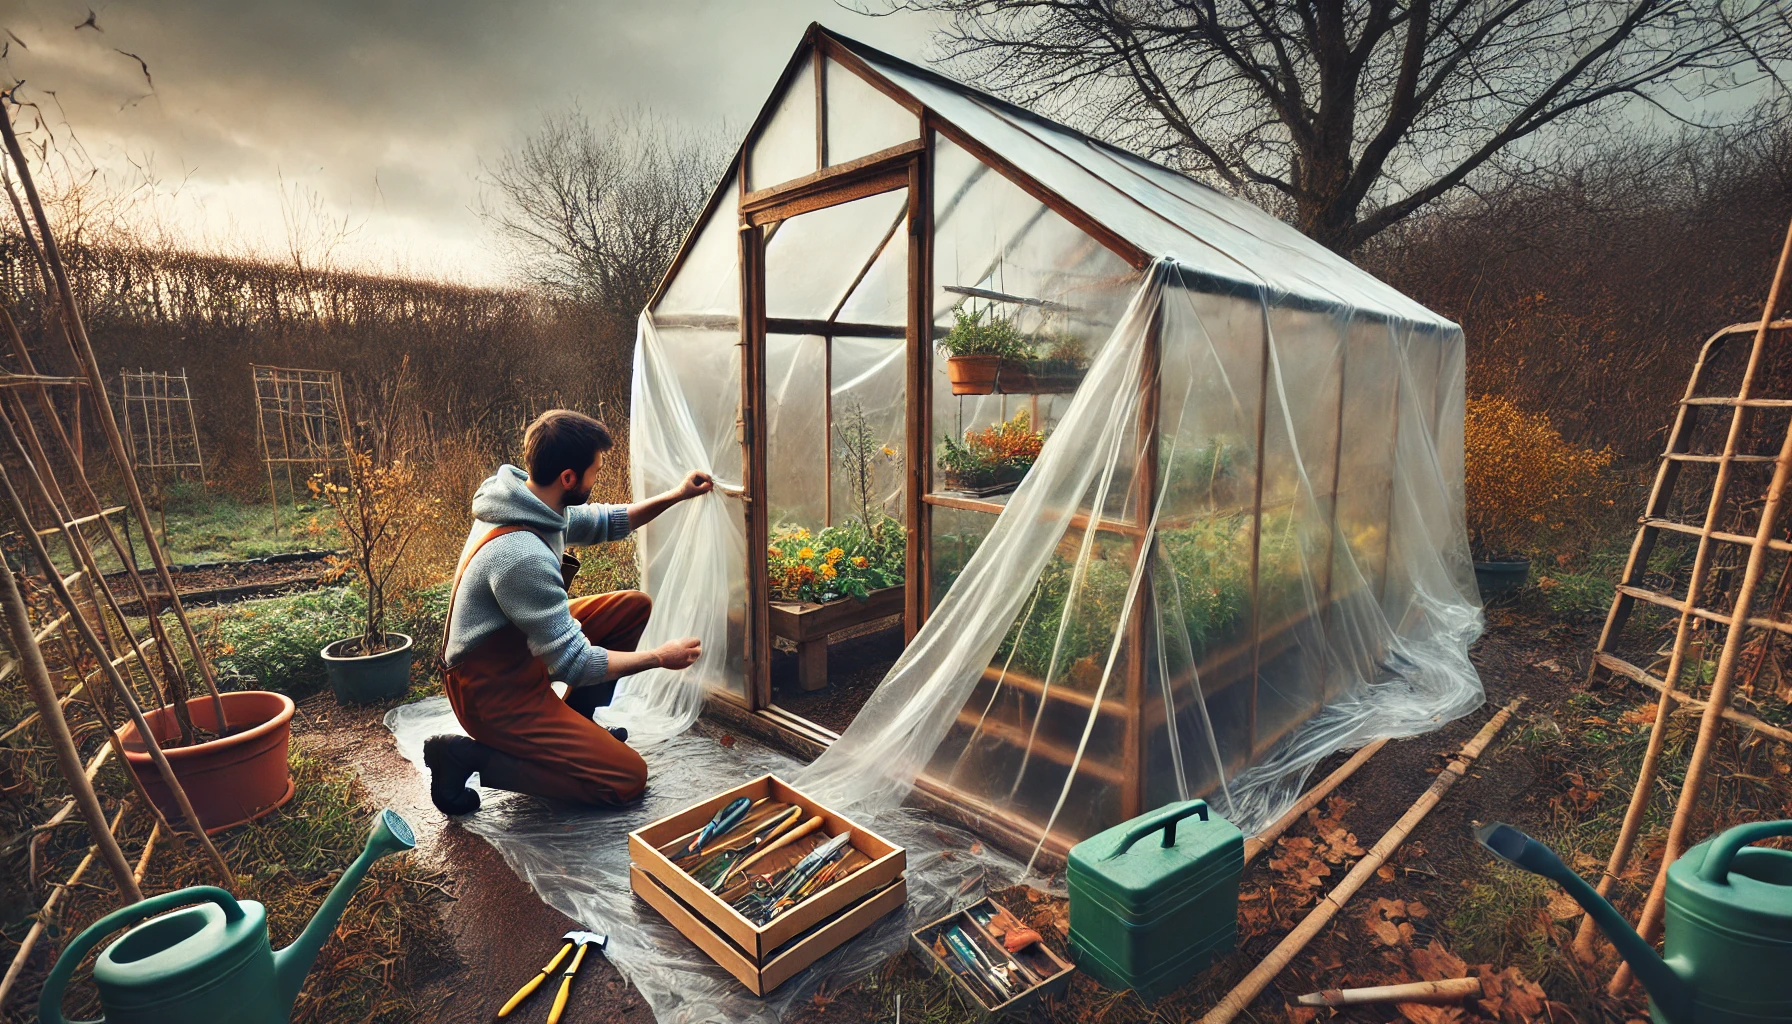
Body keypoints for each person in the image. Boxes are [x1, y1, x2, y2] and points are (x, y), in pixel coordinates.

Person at [423, 409, 711, 815]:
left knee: (631, 608)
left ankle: (576, 725)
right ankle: (468, 759)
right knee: (626, 779)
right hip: (491, 692)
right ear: (569, 479)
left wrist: (677, 494)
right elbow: (575, 663)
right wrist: (660, 658)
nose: (598, 477)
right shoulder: (520, 555)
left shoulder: (532, 501)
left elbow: (606, 521)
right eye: (594, 470)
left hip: (515, 650)